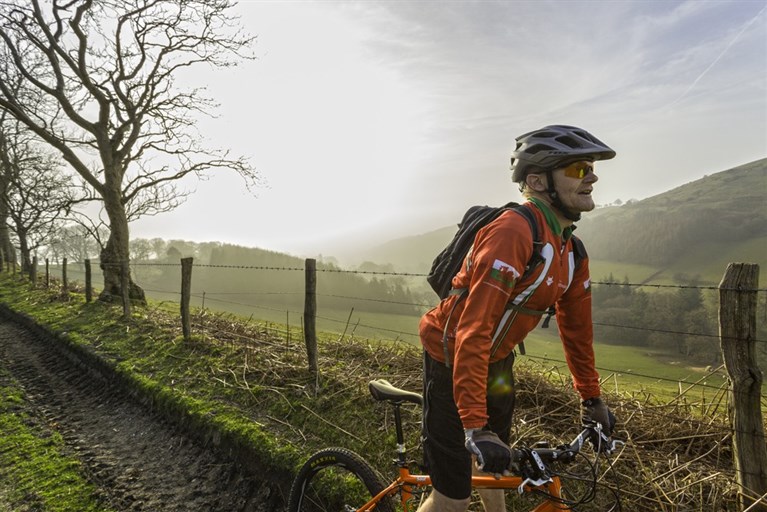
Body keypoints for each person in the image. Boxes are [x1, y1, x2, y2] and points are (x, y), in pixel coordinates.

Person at [417, 125, 616, 512]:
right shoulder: (514, 232)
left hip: (497, 362)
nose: (591, 176)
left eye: (591, 168)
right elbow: (473, 330)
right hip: (450, 355)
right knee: (451, 499)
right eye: (578, 169)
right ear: (538, 181)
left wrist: (591, 398)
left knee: (497, 471)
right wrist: (475, 425)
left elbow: (577, 332)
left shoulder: (571, 250)